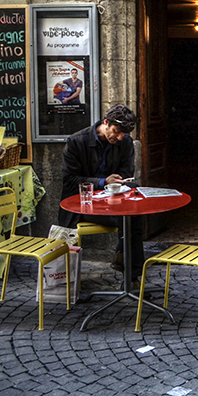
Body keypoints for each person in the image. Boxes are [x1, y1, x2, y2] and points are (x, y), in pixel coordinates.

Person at [58, 104, 142, 274]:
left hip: (113, 200)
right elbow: (69, 180)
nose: (119, 137)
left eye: (123, 134)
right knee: (128, 218)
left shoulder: (125, 141)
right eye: (116, 132)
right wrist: (103, 182)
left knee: (135, 211)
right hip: (83, 204)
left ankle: (127, 266)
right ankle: (132, 274)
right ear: (106, 122)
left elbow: (127, 172)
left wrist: (119, 182)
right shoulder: (77, 141)